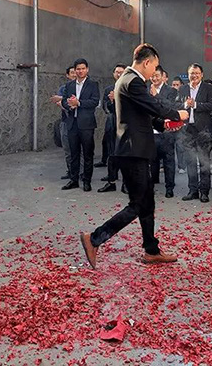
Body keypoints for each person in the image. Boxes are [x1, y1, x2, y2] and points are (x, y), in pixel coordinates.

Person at [80, 44, 189, 269]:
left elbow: (142, 114)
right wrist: (176, 114)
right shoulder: (133, 81)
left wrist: (163, 124)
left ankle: (151, 250)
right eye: (154, 67)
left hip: (134, 149)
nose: (154, 72)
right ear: (146, 62)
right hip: (132, 151)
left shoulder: (129, 80)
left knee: (147, 202)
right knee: (138, 204)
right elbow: (153, 106)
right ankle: (94, 239)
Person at [177, 64, 212, 202]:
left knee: (204, 161)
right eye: (192, 73)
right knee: (190, 161)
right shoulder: (183, 88)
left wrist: (196, 105)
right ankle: (192, 190)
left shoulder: (208, 88)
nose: (194, 76)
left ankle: (204, 192)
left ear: (202, 74)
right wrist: (185, 105)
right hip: (188, 130)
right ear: (188, 75)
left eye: (197, 73)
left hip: (203, 130)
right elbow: (176, 105)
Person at [61, 58, 100, 192]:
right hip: (72, 123)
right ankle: (74, 180)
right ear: (75, 70)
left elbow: (94, 101)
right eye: (78, 69)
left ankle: (87, 181)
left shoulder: (93, 85)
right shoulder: (69, 85)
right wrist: (70, 105)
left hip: (87, 125)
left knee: (88, 154)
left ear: (87, 70)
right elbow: (64, 101)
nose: (80, 71)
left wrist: (79, 103)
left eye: (83, 68)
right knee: (74, 153)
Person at [149, 65, 181, 198]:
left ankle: (169, 188)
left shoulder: (171, 91)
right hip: (150, 131)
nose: (154, 78)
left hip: (167, 132)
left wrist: (156, 96)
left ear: (163, 76)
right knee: (151, 160)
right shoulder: (145, 89)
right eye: (152, 76)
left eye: (157, 75)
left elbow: (170, 107)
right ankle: (151, 185)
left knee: (168, 161)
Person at [98, 64, 127, 193]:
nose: (119, 74)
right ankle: (111, 181)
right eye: (117, 72)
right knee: (112, 154)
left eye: (121, 72)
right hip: (112, 124)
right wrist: (111, 102)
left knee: (125, 155)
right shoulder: (109, 89)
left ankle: (126, 183)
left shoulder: (129, 89)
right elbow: (105, 108)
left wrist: (117, 100)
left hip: (125, 126)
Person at [51, 66, 76, 181]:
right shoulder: (63, 88)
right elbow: (59, 103)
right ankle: (71, 171)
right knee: (67, 149)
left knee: (80, 149)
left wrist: (62, 99)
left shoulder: (83, 87)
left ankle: (80, 172)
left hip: (80, 122)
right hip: (66, 121)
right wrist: (68, 102)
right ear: (67, 75)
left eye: (76, 72)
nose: (74, 74)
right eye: (72, 73)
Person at [171, 76, 187, 174]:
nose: (175, 87)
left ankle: (182, 166)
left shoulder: (184, 94)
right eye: (173, 85)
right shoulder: (169, 94)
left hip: (181, 124)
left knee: (180, 146)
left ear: (181, 85)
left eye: (177, 85)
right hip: (170, 124)